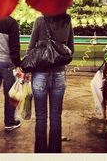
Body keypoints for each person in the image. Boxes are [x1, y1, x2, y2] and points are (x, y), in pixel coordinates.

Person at [25, 12, 74, 153]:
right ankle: (55, 152)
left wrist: (27, 70)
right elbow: (71, 50)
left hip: (40, 74)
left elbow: (31, 48)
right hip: (59, 74)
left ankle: (40, 152)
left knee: (40, 116)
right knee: (56, 115)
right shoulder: (67, 22)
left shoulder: (40, 21)